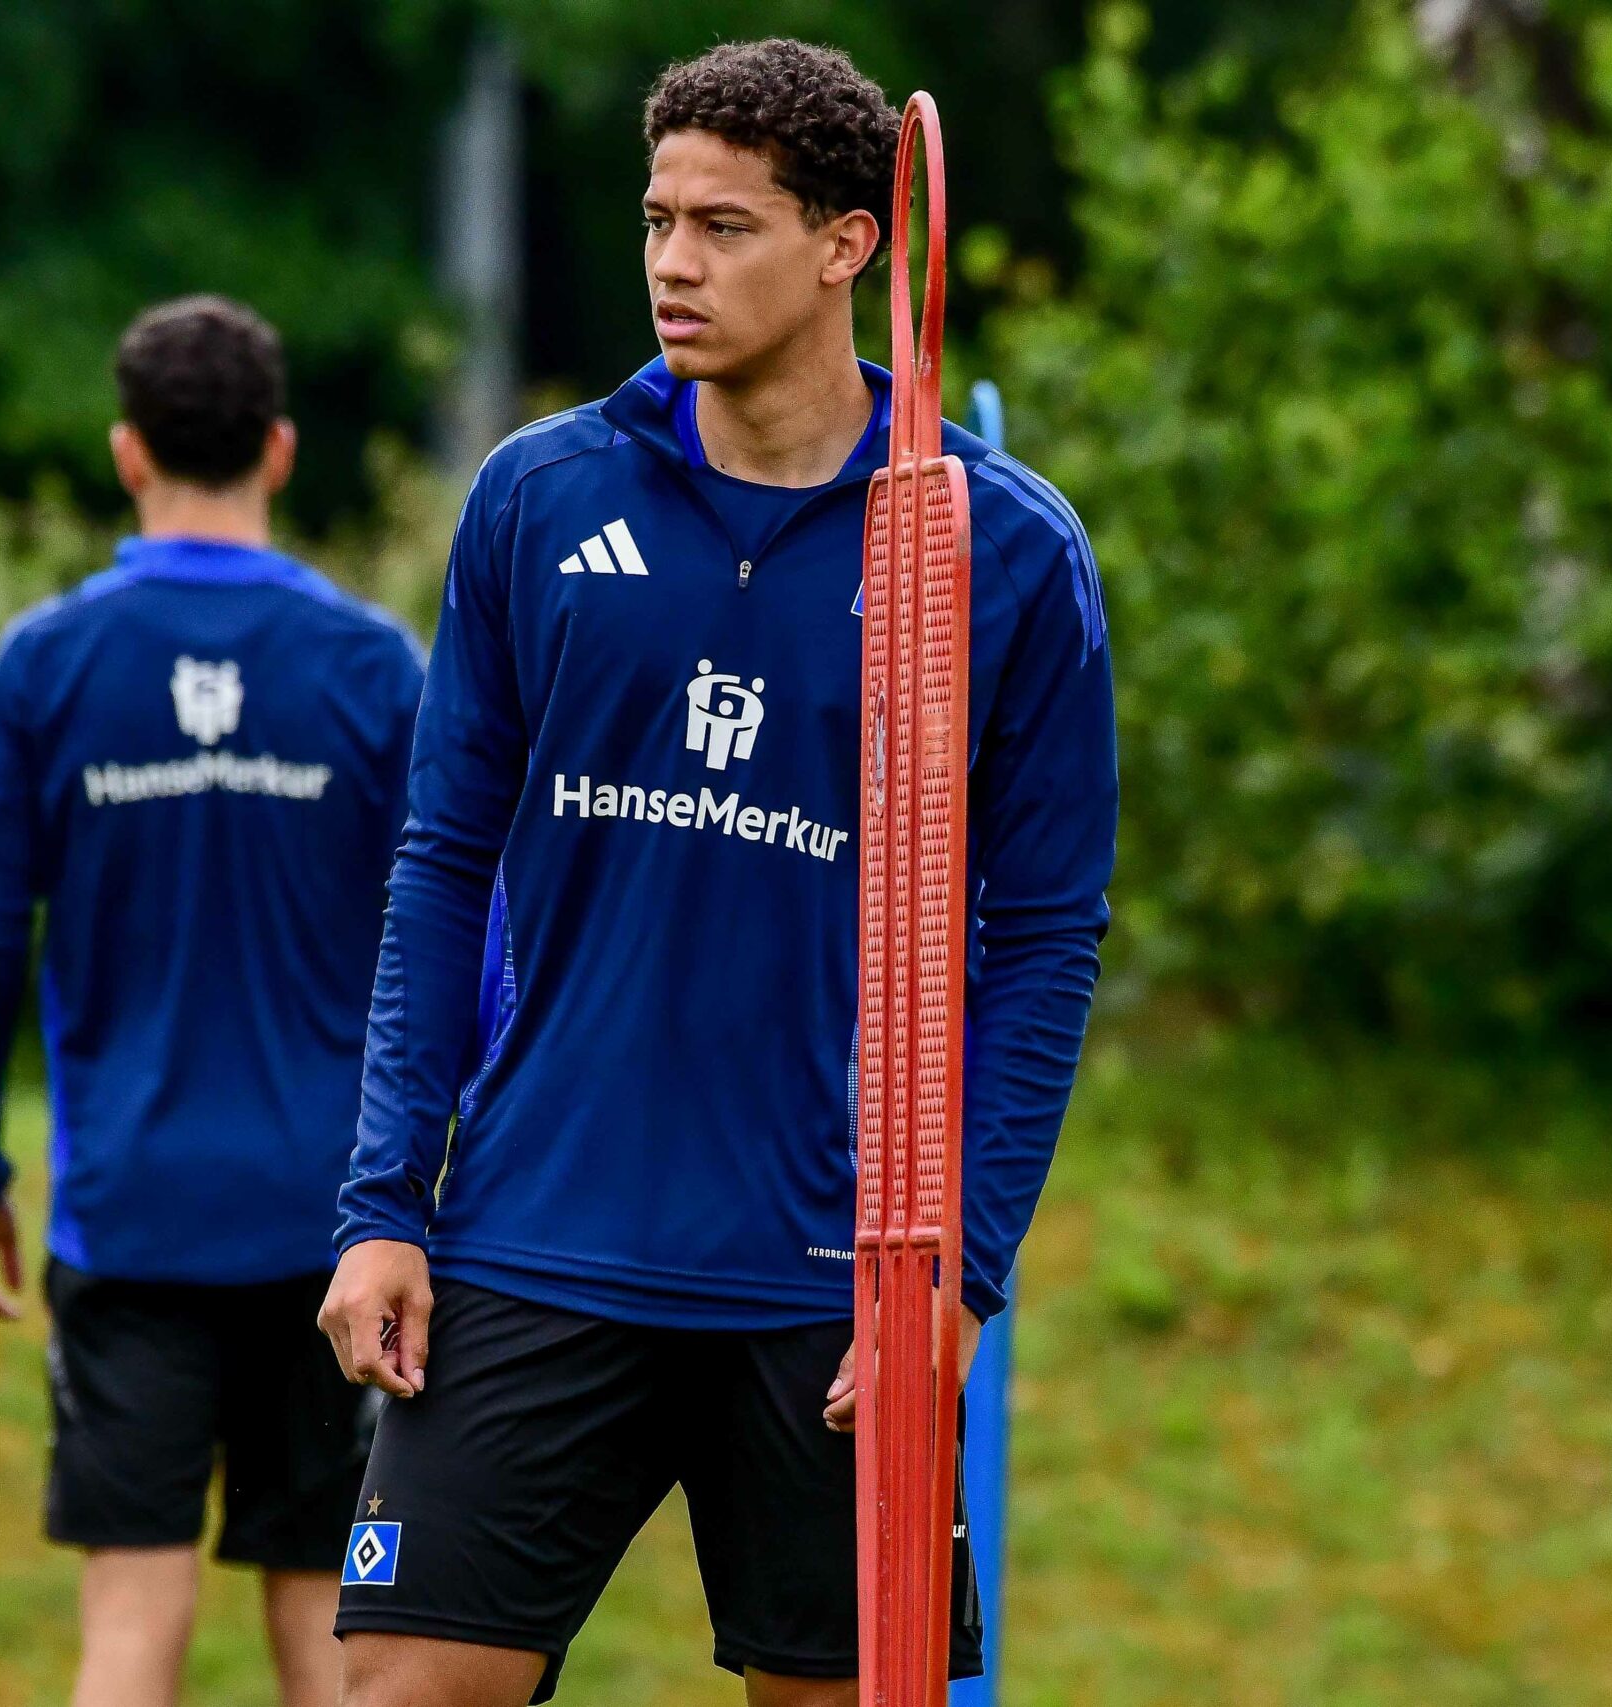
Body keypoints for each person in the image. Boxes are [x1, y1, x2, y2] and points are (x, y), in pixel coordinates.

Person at [316, 39, 1116, 1707]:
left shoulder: (1001, 547)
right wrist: (389, 1202)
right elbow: (443, 861)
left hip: (839, 1283)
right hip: (538, 1238)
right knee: (397, 1693)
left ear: (850, 245)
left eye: (728, 227)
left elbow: (1041, 941)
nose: (675, 264)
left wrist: (960, 1273)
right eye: (658, 220)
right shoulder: (539, 498)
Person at [0, 295, 425, 1707]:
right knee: (334, 1641)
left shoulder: (48, 660)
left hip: (130, 1213)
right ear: (279, 451)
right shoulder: (371, 665)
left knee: (127, 1637)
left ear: (124, 452)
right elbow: (459, 926)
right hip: (334, 1231)